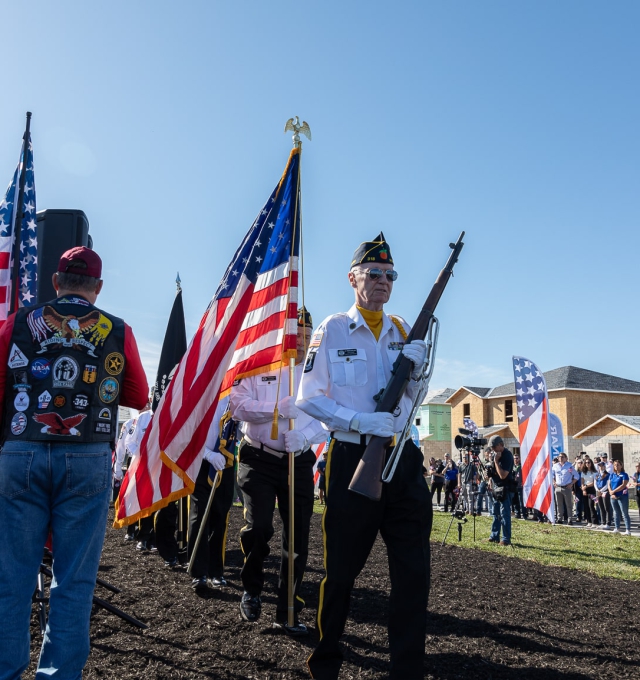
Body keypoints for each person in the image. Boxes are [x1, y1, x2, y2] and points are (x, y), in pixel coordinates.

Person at [0, 246, 148, 678]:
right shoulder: (117, 330)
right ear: (97, 288)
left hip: (21, 449)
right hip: (86, 454)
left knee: (11, 578)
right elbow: (138, 397)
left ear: (56, 281)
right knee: (74, 581)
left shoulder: (17, 323)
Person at [296, 233, 431, 680]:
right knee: (340, 574)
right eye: (373, 273)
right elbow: (307, 398)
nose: (382, 281)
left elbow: (412, 397)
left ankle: (407, 670)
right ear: (352, 278)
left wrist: (419, 369)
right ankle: (326, 663)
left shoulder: (401, 329)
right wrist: (357, 422)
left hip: (403, 464)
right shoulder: (332, 328)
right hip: (353, 461)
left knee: (413, 575)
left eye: (390, 275)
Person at [230, 306, 326, 635]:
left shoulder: (315, 371)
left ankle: (287, 607)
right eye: (295, 333)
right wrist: (272, 409)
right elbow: (237, 405)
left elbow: (327, 416)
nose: (300, 341)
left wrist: (306, 436)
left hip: (297, 460)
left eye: (306, 335)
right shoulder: (258, 362)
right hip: (258, 458)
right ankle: (252, 589)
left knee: (297, 536)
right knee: (258, 528)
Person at [188, 409, 237, 591]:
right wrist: (208, 454)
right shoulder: (204, 394)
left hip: (226, 462)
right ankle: (198, 573)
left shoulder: (234, 396)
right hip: (201, 463)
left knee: (220, 517)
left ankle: (216, 571)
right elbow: (190, 433)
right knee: (199, 515)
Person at [486, 435, 515, 545]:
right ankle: (494, 536)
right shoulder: (495, 455)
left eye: (494, 447)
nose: (492, 449)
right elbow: (493, 472)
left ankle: (506, 539)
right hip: (496, 487)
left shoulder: (507, 456)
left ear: (501, 445)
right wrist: (490, 479)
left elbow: (503, 475)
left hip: (505, 488)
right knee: (496, 513)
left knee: (504, 514)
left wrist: (496, 461)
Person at [552, 453, 578, 524]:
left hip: (566, 487)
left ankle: (570, 519)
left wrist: (571, 483)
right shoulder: (555, 466)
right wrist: (554, 482)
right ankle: (559, 518)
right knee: (559, 504)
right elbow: (552, 475)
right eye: (559, 457)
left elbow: (576, 476)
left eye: (562, 457)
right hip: (558, 487)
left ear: (566, 458)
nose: (561, 458)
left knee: (568, 504)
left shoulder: (569, 466)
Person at [608, 460, 632, 535]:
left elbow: (623, 485)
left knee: (624, 513)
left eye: (618, 465)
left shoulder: (624, 475)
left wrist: (614, 491)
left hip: (622, 496)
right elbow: (609, 484)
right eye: (615, 465)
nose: (616, 466)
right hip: (613, 496)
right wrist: (611, 492)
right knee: (615, 512)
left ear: (621, 466)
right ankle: (617, 527)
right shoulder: (612, 475)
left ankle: (627, 530)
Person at [594, 461, 613, 529]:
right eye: (599, 466)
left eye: (602, 466)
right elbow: (595, 483)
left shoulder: (607, 474)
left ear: (604, 467)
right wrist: (597, 490)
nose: (600, 467)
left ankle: (608, 523)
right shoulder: (597, 475)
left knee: (606, 507)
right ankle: (603, 522)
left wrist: (601, 491)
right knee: (601, 507)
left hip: (605, 492)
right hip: (598, 492)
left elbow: (607, 484)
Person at [580, 457, 598, 528]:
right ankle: (589, 521)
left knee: (591, 505)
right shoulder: (583, 472)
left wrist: (586, 486)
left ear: (591, 463)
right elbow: (582, 481)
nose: (587, 464)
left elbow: (594, 482)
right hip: (585, 489)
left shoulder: (594, 472)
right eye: (586, 463)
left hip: (591, 489)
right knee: (586, 506)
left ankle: (594, 521)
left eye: (589, 462)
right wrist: (583, 489)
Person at [512, 453, 528, 520]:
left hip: (520, 486)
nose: (516, 460)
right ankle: (517, 513)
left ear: (519, 459)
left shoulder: (522, 467)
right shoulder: (512, 466)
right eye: (515, 458)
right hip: (513, 486)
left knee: (521, 501)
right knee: (515, 501)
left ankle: (524, 514)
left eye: (517, 458)